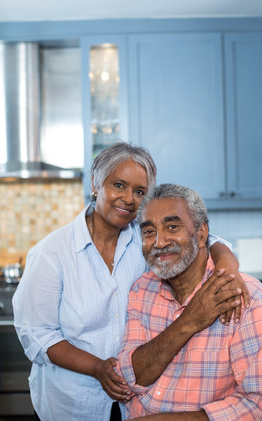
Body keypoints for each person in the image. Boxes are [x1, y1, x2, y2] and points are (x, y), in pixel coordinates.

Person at [12, 142, 248, 421]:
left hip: (136, 402)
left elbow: (203, 239)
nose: (128, 199)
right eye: (118, 185)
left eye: (139, 192)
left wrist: (228, 266)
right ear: (95, 184)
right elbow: (39, 335)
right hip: (72, 404)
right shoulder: (52, 253)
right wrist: (99, 368)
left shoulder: (146, 237)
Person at [117, 183, 262, 421]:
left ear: (202, 234)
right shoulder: (142, 289)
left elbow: (261, 409)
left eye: (172, 227)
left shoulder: (246, 296)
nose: (159, 242)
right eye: (148, 232)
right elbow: (129, 378)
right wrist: (189, 321)